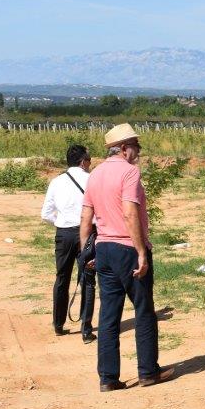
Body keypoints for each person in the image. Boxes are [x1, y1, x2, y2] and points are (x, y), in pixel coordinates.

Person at [79, 124, 173, 392]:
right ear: (123, 148)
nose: (138, 151)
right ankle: (148, 372)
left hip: (104, 249)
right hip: (127, 249)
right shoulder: (130, 172)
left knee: (109, 315)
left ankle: (108, 378)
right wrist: (141, 251)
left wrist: (86, 253)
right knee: (144, 310)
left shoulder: (94, 174)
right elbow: (130, 212)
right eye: (135, 146)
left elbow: (85, 217)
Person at [41, 144, 96, 342]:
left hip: (64, 235)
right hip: (87, 233)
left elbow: (46, 214)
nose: (90, 163)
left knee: (62, 278)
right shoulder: (92, 180)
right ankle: (86, 330)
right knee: (88, 280)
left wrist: (62, 221)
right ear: (83, 162)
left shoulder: (56, 182)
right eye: (89, 160)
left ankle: (58, 324)